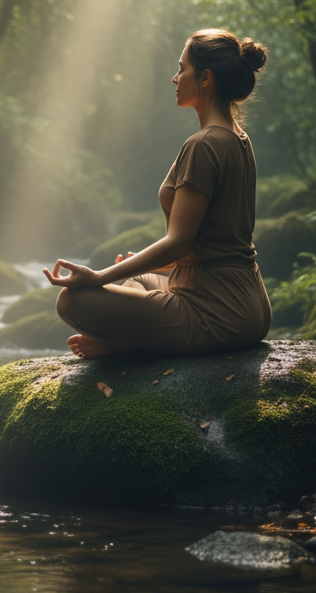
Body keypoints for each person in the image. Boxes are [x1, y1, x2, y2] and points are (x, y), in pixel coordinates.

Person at [43, 28, 272, 359]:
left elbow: (178, 242)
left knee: (73, 301)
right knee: (136, 272)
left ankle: (128, 344)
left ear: (205, 78)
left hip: (215, 312)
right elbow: (214, 243)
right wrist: (138, 264)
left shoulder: (204, 145)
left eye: (182, 69)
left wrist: (97, 276)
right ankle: (136, 337)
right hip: (250, 307)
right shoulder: (239, 139)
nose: (175, 78)